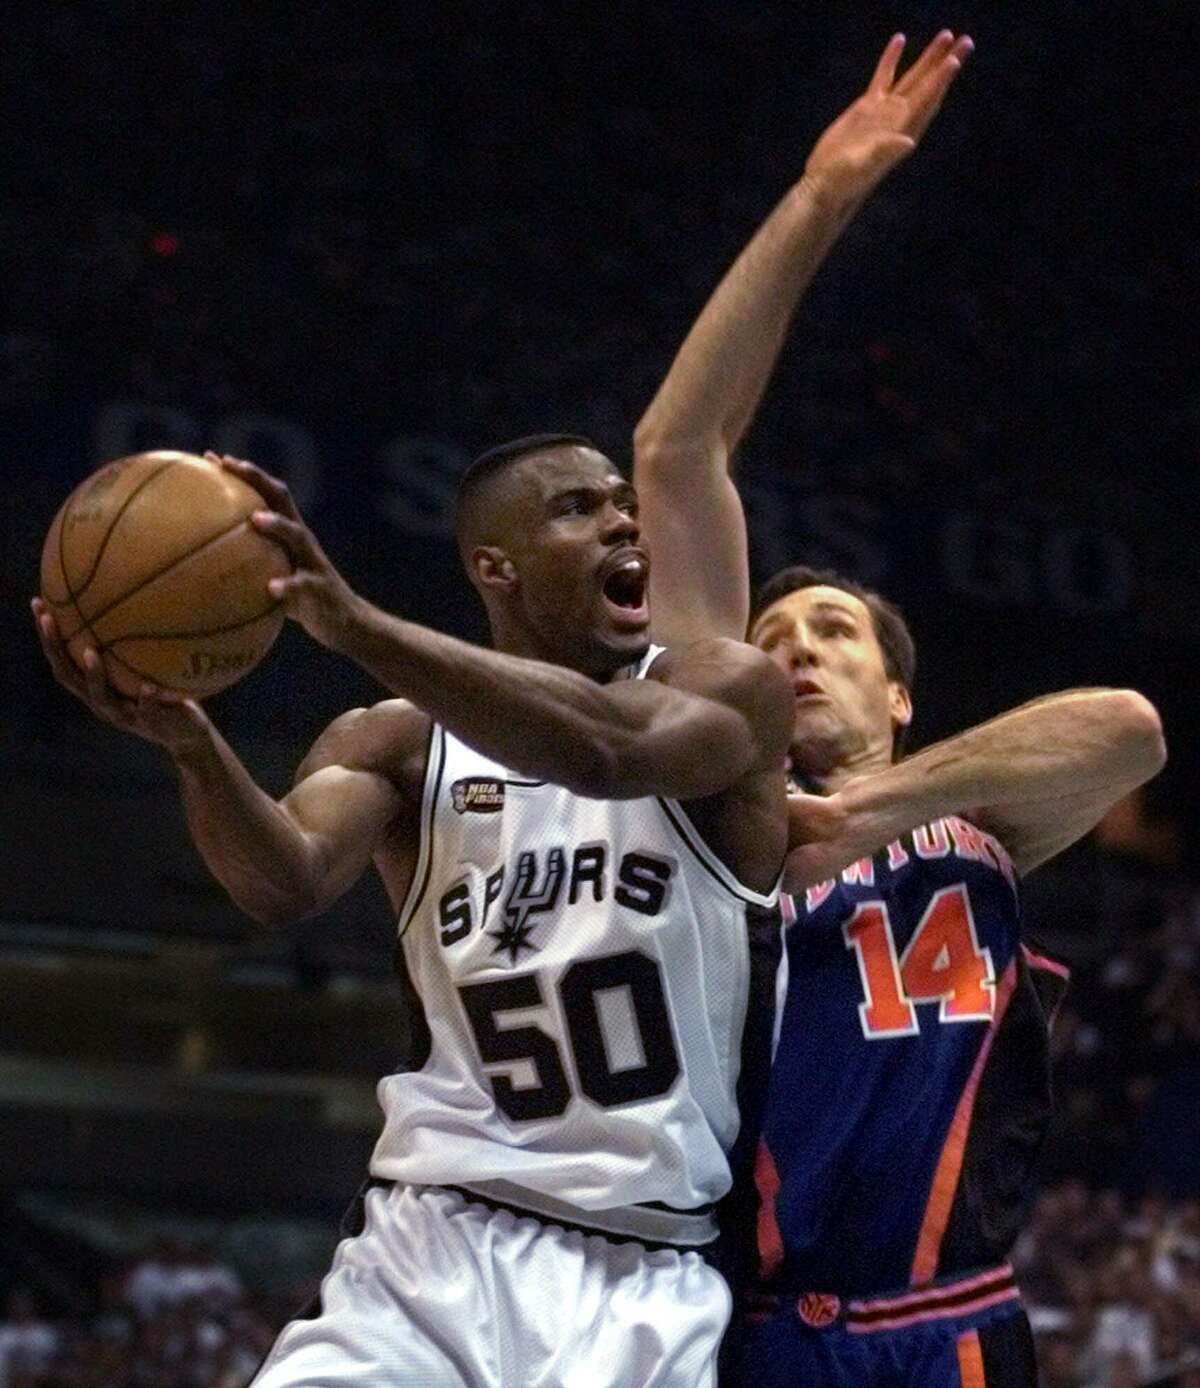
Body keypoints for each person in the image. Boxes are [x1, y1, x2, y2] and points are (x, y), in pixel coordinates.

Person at [33, 434, 794, 1387]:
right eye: (580, 508)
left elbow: (607, 754)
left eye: (623, 505)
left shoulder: (728, 691)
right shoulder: (393, 741)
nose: (622, 520)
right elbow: (286, 880)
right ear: (496, 566)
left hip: (640, 1265)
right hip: (429, 1242)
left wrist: (355, 625)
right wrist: (192, 748)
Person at [633, 29, 1166, 1387]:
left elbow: (1128, 728)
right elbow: (675, 453)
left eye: (833, 632)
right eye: (773, 635)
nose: (798, 649)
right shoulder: (716, 813)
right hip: (737, 1330)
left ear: (901, 691)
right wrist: (817, 203)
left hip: (950, 1327)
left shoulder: (977, 811)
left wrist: (862, 809)